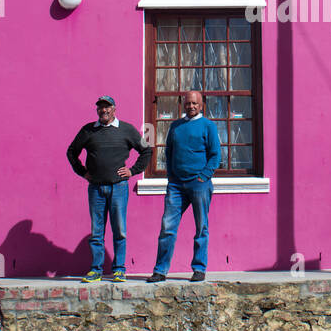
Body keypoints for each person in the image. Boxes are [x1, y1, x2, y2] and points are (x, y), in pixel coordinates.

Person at [67, 95, 152, 282]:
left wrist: (133, 170)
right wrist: (82, 172)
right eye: (100, 107)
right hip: (96, 188)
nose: (103, 110)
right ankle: (96, 270)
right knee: (97, 231)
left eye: (107, 107)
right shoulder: (88, 131)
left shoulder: (126, 130)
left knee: (119, 230)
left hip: (118, 188)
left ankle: (119, 269)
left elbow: (146, 150)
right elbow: (72, 152)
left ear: (114, 109)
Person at [149, 91, 220, 283]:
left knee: (201, 227)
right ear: (183, 104)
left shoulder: (208, 126)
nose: (191, 106)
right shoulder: (176, 126)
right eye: (188, 103)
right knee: (167, 227)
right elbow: (168, 153)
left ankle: (199, 268)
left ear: (201, 105)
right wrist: (172, 177)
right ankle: (160, 270)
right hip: (176, 186)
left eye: (195, 103)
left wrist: (203, 177)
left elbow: (215, 156)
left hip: (199, 185)